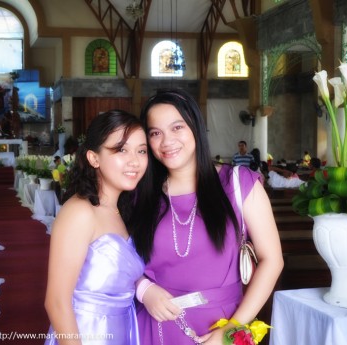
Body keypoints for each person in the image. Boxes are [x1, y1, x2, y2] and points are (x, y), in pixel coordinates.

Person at [128, 88, 283, 345]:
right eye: (155, 133)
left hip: (221, 325)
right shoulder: (140, 194)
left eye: (177, 128)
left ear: (196, 127)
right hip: (155, 326)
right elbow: (115, 259)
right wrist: (143, 289)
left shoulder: (238, 183)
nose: (167, 141)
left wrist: (232, 329)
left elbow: (272, 260)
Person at [44, 110, 149, 345]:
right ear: (94, 158)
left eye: (141, 150)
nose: (135, 160)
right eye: (121, 149)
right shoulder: (79, 212)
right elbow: (56, 302)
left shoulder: (120, 208)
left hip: (123, 331)